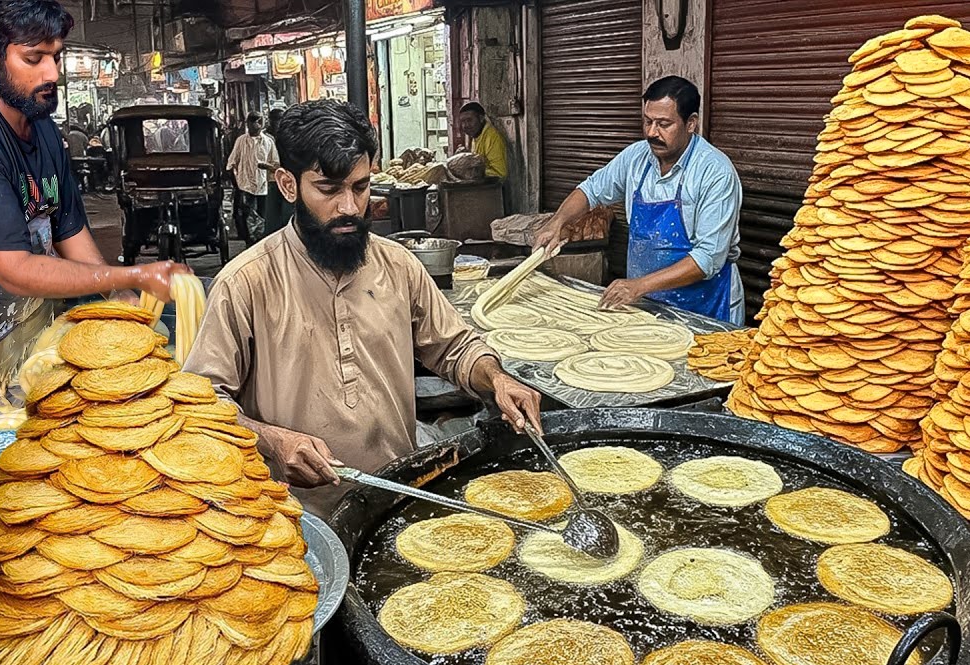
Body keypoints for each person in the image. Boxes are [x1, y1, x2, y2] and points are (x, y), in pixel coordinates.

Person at [184, 100, 542, 513]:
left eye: (360, 186)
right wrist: (273, 441)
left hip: (397, 499)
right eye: (329, 189)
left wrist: (497, 379)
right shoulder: (246, 282)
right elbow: (203, 402)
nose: (350, 208)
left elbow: (455, 347)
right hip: (294, 517)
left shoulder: (398, 265)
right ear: (287, 185)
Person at [0, 0, 187, 395]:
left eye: (56, 56)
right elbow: (13, 269)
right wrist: (130, 275)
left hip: (27, 328)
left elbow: (67, 227)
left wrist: (118, 296)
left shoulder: (42, 126)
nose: (52, 74)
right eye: (34, 59)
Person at [533, 76, 744, 324]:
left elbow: (708, 259)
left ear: (691, 124)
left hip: (705, 307)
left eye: (664, 124)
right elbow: (591, 190)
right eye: (647, 121)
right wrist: (556, 223)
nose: (652, 133)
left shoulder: (715, 172)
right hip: (648, 305)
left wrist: (638, 286)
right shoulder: (636, 157)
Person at [226, 111, 276, 245]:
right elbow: (231, 163)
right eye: (253, 121)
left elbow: (275, 164)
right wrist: (237, 185)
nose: (256, 124)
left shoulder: (268, 142)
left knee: (261, 217)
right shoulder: (241, 141)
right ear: (247, 123)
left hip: (262, 187)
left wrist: (267, 167)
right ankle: (249, 242)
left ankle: (260, 242)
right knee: (246, 216)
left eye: (259, 121)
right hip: (245, 186)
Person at [457, 101, 508, 179]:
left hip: (492, 186)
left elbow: (500, 173)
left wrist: (472, 172)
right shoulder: (476, 135)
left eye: (469, 120)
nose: (466, 125)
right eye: (463, 121)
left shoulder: (491, 137)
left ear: (481, 118)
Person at [263, 107, 293, 234]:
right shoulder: (265, 137)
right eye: (275, 119)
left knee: (287, 213)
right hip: (271, 180)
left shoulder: (288, 136)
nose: (277, 122)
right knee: (272, 216)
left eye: (280, 119)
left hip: (288, 178)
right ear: (270, 120)